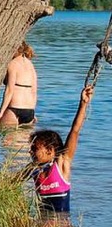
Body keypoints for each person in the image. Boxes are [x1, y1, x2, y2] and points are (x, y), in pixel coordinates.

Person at [28, 85, 93, 213]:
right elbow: (10, 185)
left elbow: (75, 130)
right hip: (42, 226)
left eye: (34, 148)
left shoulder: (62, 164)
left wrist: (83, 104)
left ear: (50, 150)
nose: (30, 151)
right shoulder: (33, 169)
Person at [0, 41, 38, 126]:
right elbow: (34, 91)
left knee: (5, 135)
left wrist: (1, 112)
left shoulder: (12, 64)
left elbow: (9, 90)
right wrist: (32, 112)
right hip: (29, 110)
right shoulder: (30, 65)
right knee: (25, 139)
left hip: (14, 108)